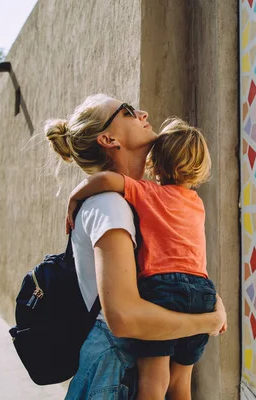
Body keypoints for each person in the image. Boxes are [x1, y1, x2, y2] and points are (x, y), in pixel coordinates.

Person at [44, 94, 226, 400]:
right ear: (108, 138)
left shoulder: (140, 200)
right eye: (127, 112)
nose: (142, 113)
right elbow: (123, 318)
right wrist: (209, 318)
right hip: (115, 368)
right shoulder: (110, 206)